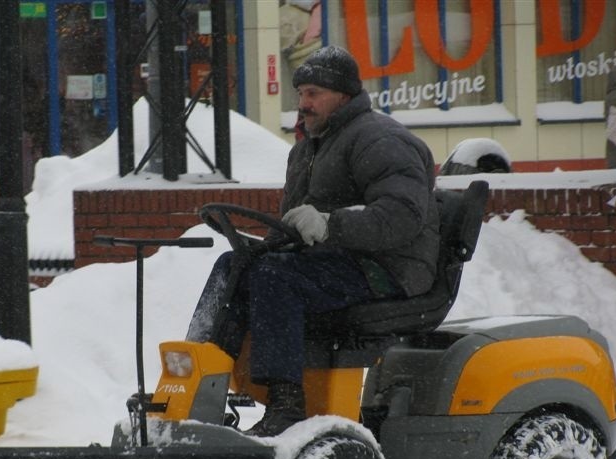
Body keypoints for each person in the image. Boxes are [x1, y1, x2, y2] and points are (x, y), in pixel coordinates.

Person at [186, 46, 438, 436]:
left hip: (387, 268)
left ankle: (286, 405)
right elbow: (292, 226)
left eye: (314, 93)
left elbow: (402, 217)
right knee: (234, 266)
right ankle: (197, 391)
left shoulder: (380, 140)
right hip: (335, 262)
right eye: (300, 93)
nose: (303, 104)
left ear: (344, 96)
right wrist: (261, 246)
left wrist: (330, 225)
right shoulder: (307, 149)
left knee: (276, 275)